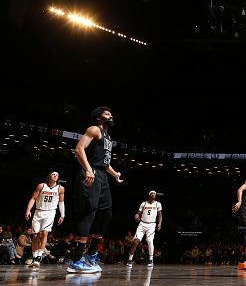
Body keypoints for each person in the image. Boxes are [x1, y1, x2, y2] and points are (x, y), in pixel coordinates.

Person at [68, 106, 123, 273]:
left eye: (111, 113)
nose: (111, 115)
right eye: (107, 113)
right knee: (89, 212)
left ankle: (91, 254)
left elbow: (104, 163)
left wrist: (115, 175)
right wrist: (89, 169)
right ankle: (76, 260)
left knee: (106, 213)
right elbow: (79, 149)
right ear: (99, 118)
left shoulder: (108, 137)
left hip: (102, 176)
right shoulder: (94, 129)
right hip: (90, 173)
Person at [24, 171, 65, 267]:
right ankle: (34, 257)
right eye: (53, 174)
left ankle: (39, 256)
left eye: (57, 175)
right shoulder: (41, 186)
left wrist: (62, 215)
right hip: (38, 211)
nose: (55, 175)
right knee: (35, 235)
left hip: (50, 212)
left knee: (44, 233)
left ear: (58, 178)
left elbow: (61, 202)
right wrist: (28, 210)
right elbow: (33, 198)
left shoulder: (60, 188)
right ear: (49, 176)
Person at [127, 190, 162, 267]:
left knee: (150, 241)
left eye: (154, 194)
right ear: (149, 195)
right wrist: (136, 216)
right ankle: (130, 259)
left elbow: (160, 215)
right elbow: (138, 213)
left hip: (152, 225)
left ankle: (150, 259)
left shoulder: (158, 204)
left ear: (155, 195)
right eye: (151, 193)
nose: (153, 194)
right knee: (136, 242)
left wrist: (159, 223)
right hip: (142, 224)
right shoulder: (144, 203)